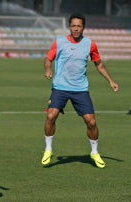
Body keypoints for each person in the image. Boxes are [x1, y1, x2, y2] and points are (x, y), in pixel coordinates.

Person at [41, 13, 119, 168]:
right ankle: (48, 149)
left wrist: (111, 81)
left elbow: (99, 64)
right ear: (69, 26)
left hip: (80, 89)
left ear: (83, 27)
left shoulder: (90, 44)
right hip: (60, 87)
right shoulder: (59, 42)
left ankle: (94, 152)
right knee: (51, 116)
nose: (76, 29)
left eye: (79, 26)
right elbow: (48, 58)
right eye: (73, 26)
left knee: (91, 122)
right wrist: (48, 69)